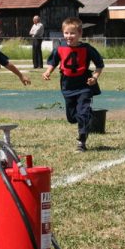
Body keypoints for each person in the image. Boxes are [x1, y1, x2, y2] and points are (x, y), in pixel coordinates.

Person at [42, 17, 104, 152]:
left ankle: (82, 141)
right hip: (67, 86)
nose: (69, 36)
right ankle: (87, 117)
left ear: (80, 33)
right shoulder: (60, 48)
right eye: (66, 33)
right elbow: (53, 62)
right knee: (71, 118)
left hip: (84, 86)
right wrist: (48, 72)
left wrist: (94, 77)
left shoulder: (87, 49)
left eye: (72, 33)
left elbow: (99, 65)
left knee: (82, 113)